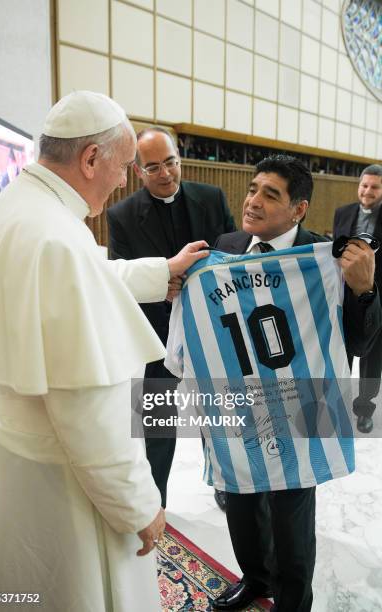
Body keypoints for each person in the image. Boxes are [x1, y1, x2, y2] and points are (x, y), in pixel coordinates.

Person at [0, 91, 209, 612]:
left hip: (12, 448)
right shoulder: (56, 235)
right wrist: (140, 506)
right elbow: (90, 410)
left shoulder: (18, 206)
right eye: (125, 165)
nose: (126, 179)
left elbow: (86, 274)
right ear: (90, 159)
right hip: (59, 476)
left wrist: (159, 271)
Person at [191, 155, 379, 612]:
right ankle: (256, 579)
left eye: (269, 194)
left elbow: (358, 338)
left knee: (292, 513)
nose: (252, 201)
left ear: (299, 209)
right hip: (239, 399)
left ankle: (294, 602)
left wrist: (365, 290)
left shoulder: (329, 256)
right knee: (239, 498)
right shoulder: (227, 244)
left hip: (300, 398)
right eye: (253, 189)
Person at [107, 126, 236, 509]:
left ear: (179, 159)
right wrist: (158, 283)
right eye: (153, 168)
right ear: (137, 170)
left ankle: (226, 483)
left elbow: (232, 253)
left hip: (213, 329)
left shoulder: (211, 198)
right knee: (158, 422)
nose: (165, 174)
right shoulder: (122, 215)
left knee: (220, 414)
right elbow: (122, 277)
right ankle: (155, 499)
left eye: (170, 163)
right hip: (157, 334)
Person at [333, 164, 382, 433]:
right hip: (344, 297)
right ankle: (337, 404)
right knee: (341, 355)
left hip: (377, 299)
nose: (368, 191)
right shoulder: (343, 213)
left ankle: (364, 408)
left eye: (374, 186)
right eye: (364, 185)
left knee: (372, 360)